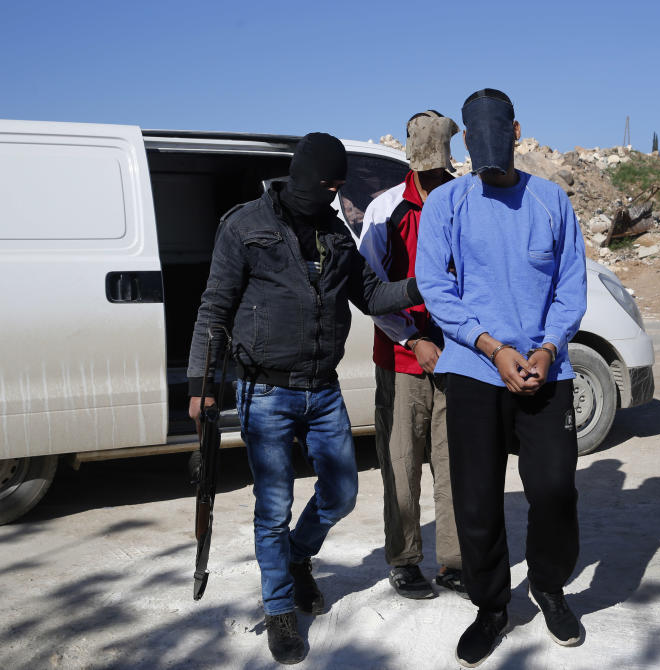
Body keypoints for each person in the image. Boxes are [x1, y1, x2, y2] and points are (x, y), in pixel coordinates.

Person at [186, 133, 422, 665]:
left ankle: (297, 557)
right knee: (273, 508)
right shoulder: (244, 225)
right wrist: (200, 387)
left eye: (339, 187)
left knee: (340, 494)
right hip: (264, 387)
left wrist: (420, 285)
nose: (334, 195)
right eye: (328, 184)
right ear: (303, 177)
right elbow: (215, 306)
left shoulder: (336, 232)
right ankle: (280, 612)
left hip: (322, 387)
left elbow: (373, 295)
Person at [416, 89, 587, 667]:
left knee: (555, 490)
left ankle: (550, 588)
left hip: (546, 371)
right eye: (476, 140)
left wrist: (546, 348)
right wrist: (490, 347)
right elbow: (436, 288)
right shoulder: (448, 203)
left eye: (500, 136)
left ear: (517, 132)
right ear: (465, 140)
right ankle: (491, 608)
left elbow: (571, 286)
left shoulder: (551, 201)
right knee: (477, 499)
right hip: (473, 369)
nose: (489, 151)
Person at [357, 110, 466, 600]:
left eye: (439, 167)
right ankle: (403, 559)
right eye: (424, 167)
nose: (431, 177)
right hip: (403, 359)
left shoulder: (465, 201)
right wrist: (412, 340)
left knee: (454, 464)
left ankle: (455, 562)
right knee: (401, 463)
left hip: (461, 356)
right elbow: (369, 291)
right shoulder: (384, 210)